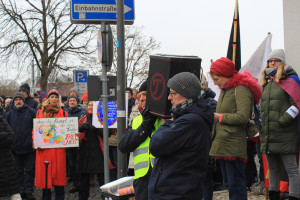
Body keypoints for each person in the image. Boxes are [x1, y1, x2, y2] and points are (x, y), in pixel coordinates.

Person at [148, 72, 213, 200]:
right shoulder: (190, 119)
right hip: (176, 191)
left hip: (175, 194)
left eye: (173, 93)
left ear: (186, 94)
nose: (169, 98)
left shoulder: (189, 121)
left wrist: (166, 124)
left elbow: (156, 145)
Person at [209, 57, 262, 200]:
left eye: (217, 79)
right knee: (229, 184)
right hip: (223, 143)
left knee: (236, 185)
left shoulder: (241, 89)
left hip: (233, 144)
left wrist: (218, 116)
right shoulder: (226, 89)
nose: (215, 83)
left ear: (226, 74)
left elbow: (242, 117)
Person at [260, 49, 300, 200]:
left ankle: (295, 196)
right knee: (274, 169)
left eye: (276, 60)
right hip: (269, 134)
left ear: (282, 62)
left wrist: (282, 121)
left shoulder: (291, 80)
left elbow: (296, 105)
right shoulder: (267, 82)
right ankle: (274, 196)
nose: (272, 63)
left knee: (292, 169)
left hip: (286, 134)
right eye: (270, 61)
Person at [119, 81, 163, 200]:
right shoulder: (138, 120)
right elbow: (123, 146)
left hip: (161, 176)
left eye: (145, 95)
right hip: (141, 178)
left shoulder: (165, 118)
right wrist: (145, 126)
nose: (141, 98)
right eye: (140, 95)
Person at [33, 89, 67, 200]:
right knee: (45, 181)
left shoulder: (64, 113)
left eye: (56, 97)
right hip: (44, 151)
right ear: (48, 99)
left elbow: (68, 130)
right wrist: (35, 141)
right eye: (52, 97)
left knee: (59, 182)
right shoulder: (39, 112)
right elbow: (35, 130)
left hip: (58, 151)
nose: (54, 99)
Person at [6, 92, 36, 200]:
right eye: (16, 99)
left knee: (29, 171)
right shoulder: (9, 114)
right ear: (13, 102)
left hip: (29, 148)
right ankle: (21, 190)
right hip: (15, 149)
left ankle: (28, 191)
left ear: (23, 101)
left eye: (20, 99)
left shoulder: (31, 112)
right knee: (18, 171)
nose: (18, 101)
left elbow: (38, 128)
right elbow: (7, 130)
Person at [77, 100, 109, 200]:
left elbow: (108, 134)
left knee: (103, 183)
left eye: (92, 105)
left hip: (98, 154)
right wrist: (80, 128)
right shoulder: (82, 119)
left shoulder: (101, 118)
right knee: (83, 184)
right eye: (89, 105)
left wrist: (97, 129)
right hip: (84, 155)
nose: (90, 107)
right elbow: (73, 133)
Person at [66, 95, 86, 193]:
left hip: (79, 141)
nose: (72, 102)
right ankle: (75, 183)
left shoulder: (82, 113)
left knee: (79, 162)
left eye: (74, 100)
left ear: (77, 102)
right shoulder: (65, 113)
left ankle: (81, 183)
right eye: (70, 101)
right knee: (71, 163)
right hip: (68, 141)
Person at [0, 115, 22, 200]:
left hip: (6, 162)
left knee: (13, 191)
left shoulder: (1, 120)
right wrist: (3, 135)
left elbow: (11, 137)